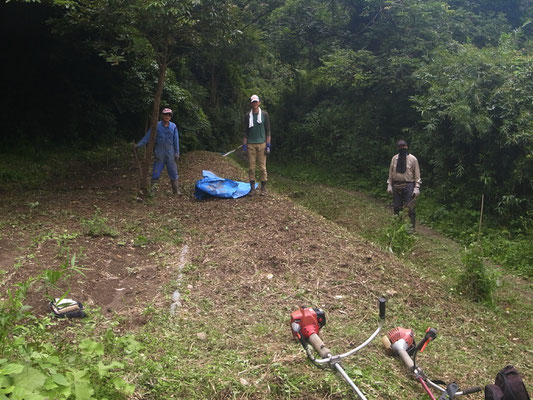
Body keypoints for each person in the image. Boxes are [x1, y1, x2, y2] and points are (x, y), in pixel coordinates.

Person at [136, 107, 181, 195]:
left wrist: (177, 153)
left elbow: (176, 140)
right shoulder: (156, 126)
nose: (167, 116)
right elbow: (148, 137)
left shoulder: (173, 126)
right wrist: (138, 145)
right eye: (165, 115)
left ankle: (176, 190)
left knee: (173, 171)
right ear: (162, 116)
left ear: (171, 116)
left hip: (170, 153)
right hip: (159, 153)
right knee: (156, 171)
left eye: (169, 115)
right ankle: (153, 191)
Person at [387, 139, 421, 232]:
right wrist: (389, 184)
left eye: (404, 146)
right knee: (397, 207)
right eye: (400, 147)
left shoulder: (413, 159)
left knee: (410, 208)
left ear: (407, 147)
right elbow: (391, 172)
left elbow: (417, 174)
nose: (402, 148)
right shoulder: (394, 158)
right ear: (397, 148)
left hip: (409, 185)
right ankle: (397, 228)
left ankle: (410, 230)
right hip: (396, 184)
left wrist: (417, 187)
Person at [243, 94, 271, 196]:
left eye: (256, 102)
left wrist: (268, 145)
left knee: (262, 167)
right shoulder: (248, 116)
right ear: (251, 103)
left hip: (262, 144)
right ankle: (252, 188)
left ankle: (263, 188)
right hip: (251, 144)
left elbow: (268, 131)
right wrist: (244, 145)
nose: (254, 103)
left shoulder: (264, 115)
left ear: (259, 102)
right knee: (251, 167)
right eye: (253, 102)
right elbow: (245, 131)